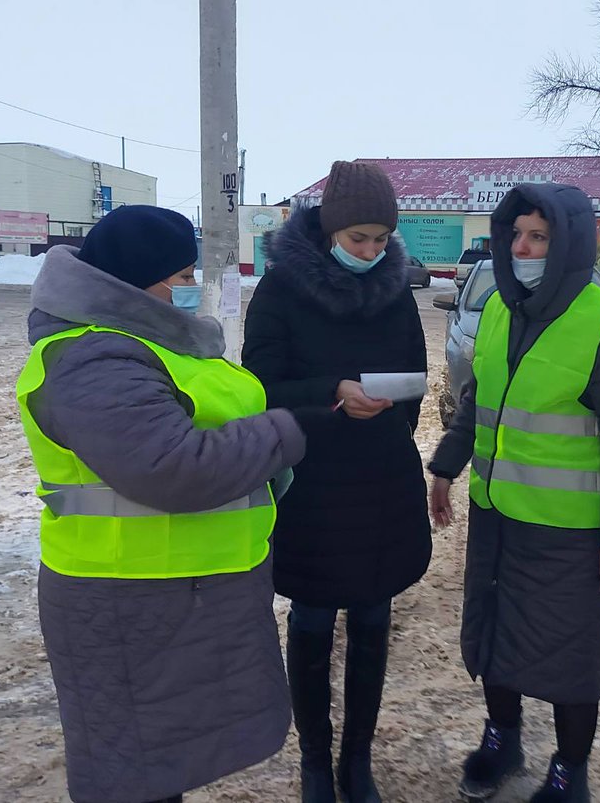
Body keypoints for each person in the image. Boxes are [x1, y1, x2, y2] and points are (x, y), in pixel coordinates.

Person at [16, 205, 313, 803]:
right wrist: (286, 431)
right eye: (180, 275)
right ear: (135, 281)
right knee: (137, 771)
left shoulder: (154, 343)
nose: (190, 287)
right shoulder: (95, 358)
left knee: (164, 762)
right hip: (127, 595)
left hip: (178, 588)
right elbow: (171, 467)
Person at [428, 183, 600, 803]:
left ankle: (568, 770)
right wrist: (446, 465)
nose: (522, 249)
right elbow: (481, 399)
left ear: (569, 245)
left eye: (539, 238)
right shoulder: (500, 309)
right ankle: (502, 738)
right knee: (495, 633)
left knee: (569, 656)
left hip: (569, 531)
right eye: (516, 235)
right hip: (498, 515)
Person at [242, 160, 431, 803]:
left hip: (381, 482)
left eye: (381, 239)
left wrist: (392, 412)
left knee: (374, 619)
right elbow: (260, 387)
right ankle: (316, 765)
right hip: (312, 485)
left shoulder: (393, 288)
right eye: (359, 239)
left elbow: (414, 372)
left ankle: (357, 761)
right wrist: (332, 394)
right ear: (329, 231)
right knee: (314, 620)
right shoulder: (281, 289)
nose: (371, 251)